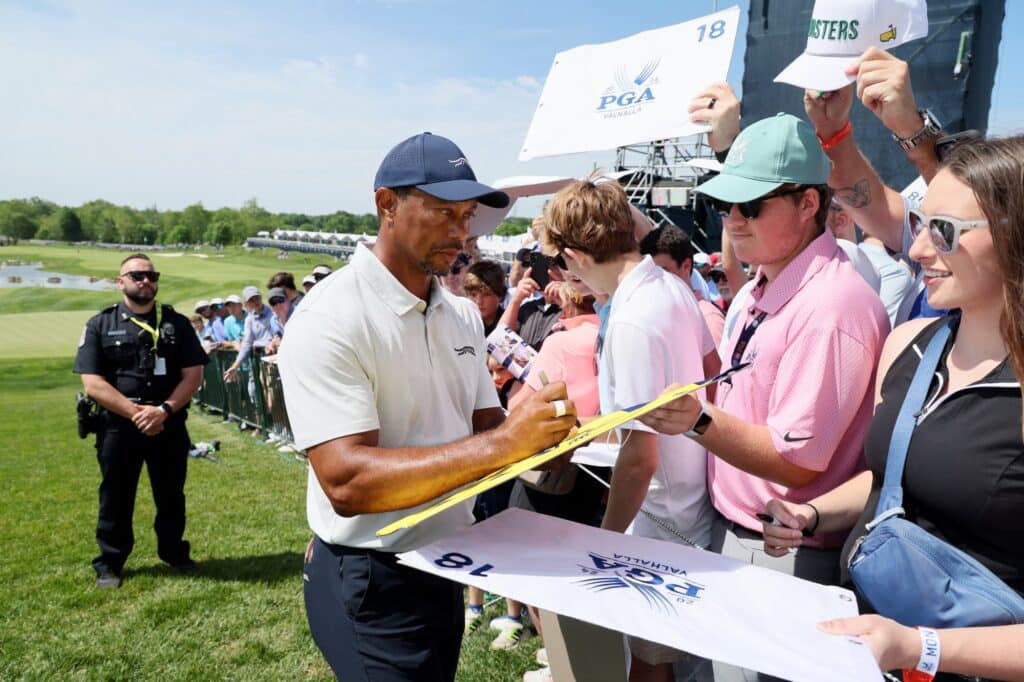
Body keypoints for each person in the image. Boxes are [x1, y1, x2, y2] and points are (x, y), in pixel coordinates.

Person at [277, 132, 577, 682]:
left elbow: (488, 429)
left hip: (449, 561)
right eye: (443, 212)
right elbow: (347, 482)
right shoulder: (330, 316)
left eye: (466, 215)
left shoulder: (459, 314)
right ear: (386, 205)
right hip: (374, 573)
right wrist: (508, 443)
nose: (460, 232)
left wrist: (545, 442)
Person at [762, 135, 1024, 682]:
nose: (919, 249)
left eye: (945, 231)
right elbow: (894, 475)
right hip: (867, 649)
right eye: (924, 224)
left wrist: (918, 647)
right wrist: (812, 515)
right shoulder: (909, 344)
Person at [640, 114, 889, 681]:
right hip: (743, 537)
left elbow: (796, 464)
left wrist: (697, 421)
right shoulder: (766, 281)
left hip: (781, 551)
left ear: (807, 204)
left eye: (749, 207)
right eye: (726, 207)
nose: (732, 221)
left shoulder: (831, 307)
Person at [542, 180, 718, 682]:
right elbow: (710, 366)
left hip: (665, 523)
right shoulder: (671, 287)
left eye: (565, 264)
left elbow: (641, 458)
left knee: (649, 667)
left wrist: (601, 544)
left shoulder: (631, 317)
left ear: (575, 255)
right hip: (693, 505)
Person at [73, 253, 207, 588]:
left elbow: (194, 376)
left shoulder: (176, 324)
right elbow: (92, 383)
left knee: (171, 494)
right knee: (116, 496)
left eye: (151, 275)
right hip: (119, 426)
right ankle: (111, 562)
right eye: (136, 275)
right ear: (121, 282)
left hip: (168, 423)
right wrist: (138, 414)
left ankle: (174, 553)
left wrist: (163, 410)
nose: (145, 281)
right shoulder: (99, 325)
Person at [639, 225, 726, 348]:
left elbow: (719, 368)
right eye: (649, 273)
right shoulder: (650, 316)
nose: (654, 280)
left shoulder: (707, 319)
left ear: (686, 266)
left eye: (662, 271)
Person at [222, 286, 281, 382]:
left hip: (277, 359)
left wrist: (261, 343)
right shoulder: (249, 320)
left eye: (257, 298)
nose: (255, 301)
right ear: (246, 304)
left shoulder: (273, 313)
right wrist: (235, 366)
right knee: (253, 391)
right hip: (261, 362)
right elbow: (246, 343)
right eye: (251, 300)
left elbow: (276, 335)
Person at [463, 260, 507, 336]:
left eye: (486, 294)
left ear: (500, 295)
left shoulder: (513, 324)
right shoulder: (461, 323)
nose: (479, 301)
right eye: (473, 295)